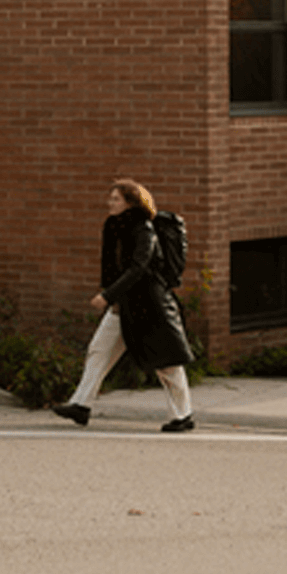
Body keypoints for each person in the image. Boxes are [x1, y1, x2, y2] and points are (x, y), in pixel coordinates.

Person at [52, 179, 196, 432]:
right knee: (99, 350)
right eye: (111, 198)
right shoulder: (116, 227)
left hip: (150, 306)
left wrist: (108, 295)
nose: (110, 202)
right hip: (124, 304)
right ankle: (81, 405)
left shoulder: (143, 230)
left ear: (130, 203)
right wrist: (113, 296)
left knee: (166, 363)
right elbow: (112, 267)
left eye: (116, 199)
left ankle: (182, 416)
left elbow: (138, 268)